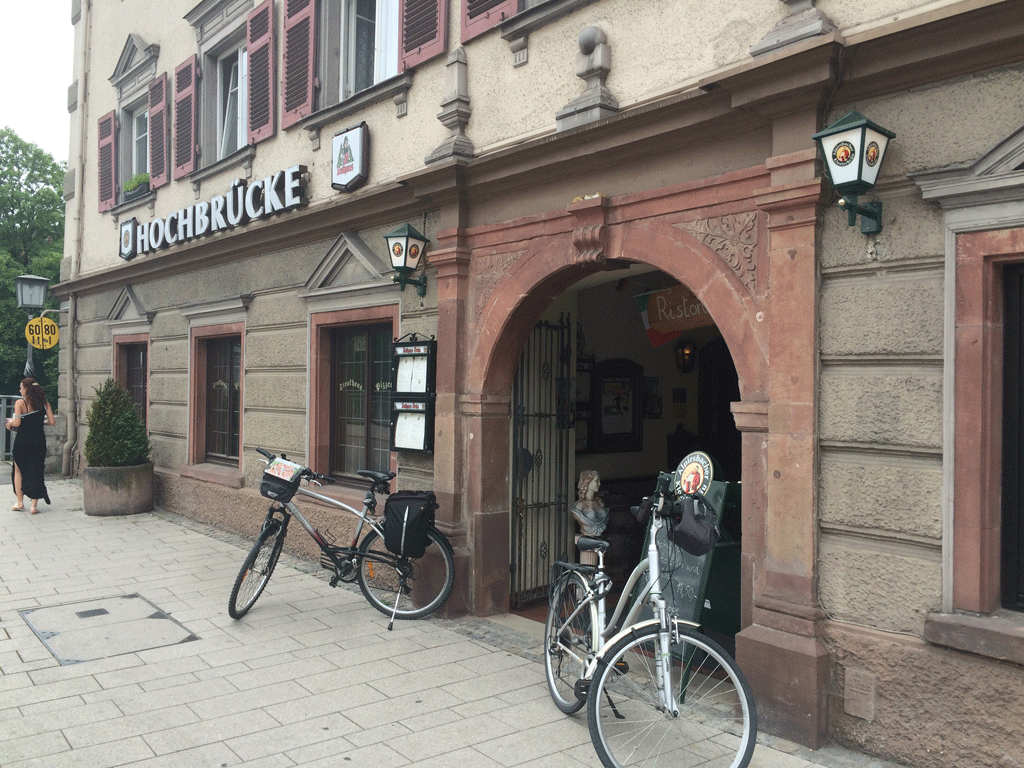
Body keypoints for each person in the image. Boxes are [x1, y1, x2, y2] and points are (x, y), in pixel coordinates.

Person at [6, 378, 55, 514]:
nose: (19, 390)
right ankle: (34, 506)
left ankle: (20, 502)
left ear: (27, 389)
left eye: (21, 387)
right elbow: (51, 422)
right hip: (38, 441)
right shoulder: (44, 403)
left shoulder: (20, 403)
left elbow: (17, 423)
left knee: (18, 470)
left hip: (23, 441)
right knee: (36, 469)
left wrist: (9, 423)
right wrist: (39, 422)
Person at [572, 469, 608, 536]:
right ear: (587, 482)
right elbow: (575, 513)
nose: (599, 484)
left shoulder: (599, 502)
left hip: (601, 537)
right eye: (596, 481)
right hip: (588, 539)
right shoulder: (580, 505)